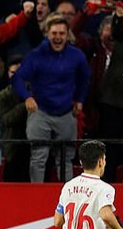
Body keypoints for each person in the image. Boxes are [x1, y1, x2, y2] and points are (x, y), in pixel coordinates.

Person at [12, 16, 90, 183]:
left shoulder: (77, 56)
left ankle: (68, 199)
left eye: (62, 33)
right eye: (54, 33)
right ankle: (36, 197)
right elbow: (18, 78)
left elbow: (85, 79)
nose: (58, 37)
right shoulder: (35, 55)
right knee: (38, 157)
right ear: (47, 33)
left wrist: (80, 100)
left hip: (66, 113)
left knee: (66, 159)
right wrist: (27, 97)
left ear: (67, 34)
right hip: (40, 112)